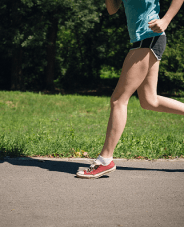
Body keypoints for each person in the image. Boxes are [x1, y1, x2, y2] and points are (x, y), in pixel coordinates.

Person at [76, 0, 184, 179]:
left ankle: (106, 160)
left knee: (118, 100)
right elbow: (112, 9)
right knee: (150, 101)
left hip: (149, 37)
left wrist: (166, 20)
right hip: (142, 39)